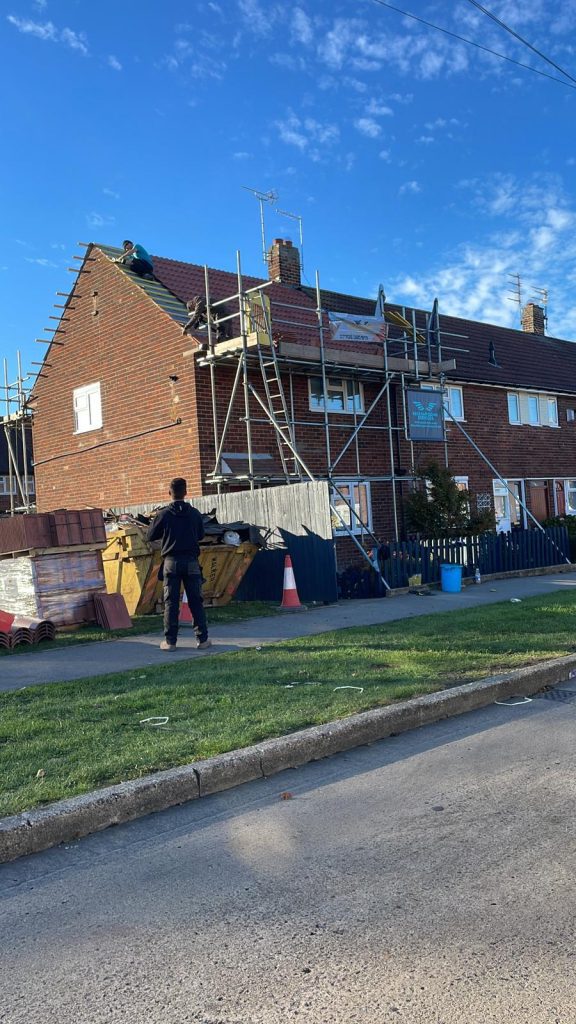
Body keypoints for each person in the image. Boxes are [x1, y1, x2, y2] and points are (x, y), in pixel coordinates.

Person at [147, 478, 210, 652]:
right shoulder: (194, 514)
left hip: (171, 562)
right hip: (191, 561)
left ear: (169, 493)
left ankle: (170, 642)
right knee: (196, 601)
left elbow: (150, 536)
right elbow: (201, 535)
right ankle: (202, 640)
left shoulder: (163, 514)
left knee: (171, 603)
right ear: (186, 492)